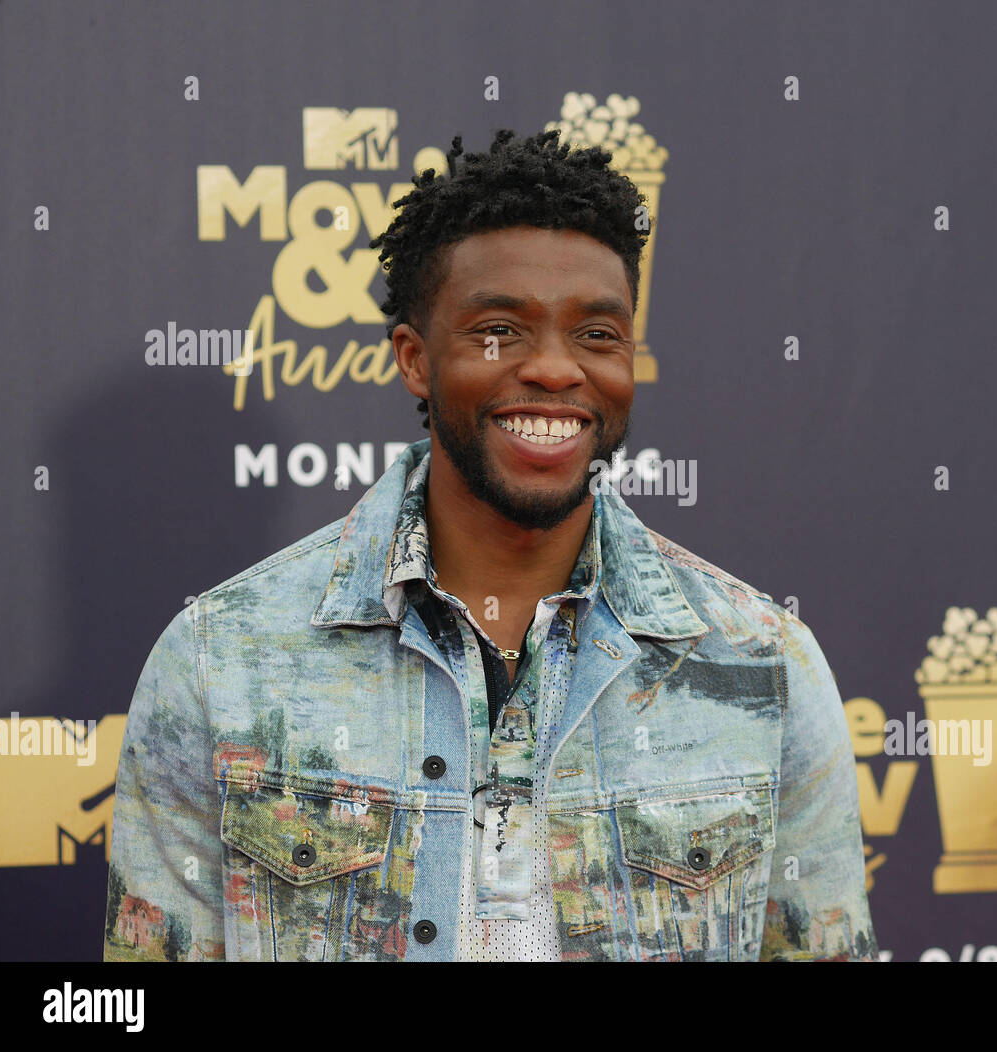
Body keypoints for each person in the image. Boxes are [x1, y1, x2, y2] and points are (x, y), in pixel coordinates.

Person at [103, 128, 878, 962]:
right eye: (500, 330)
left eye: (598, 335)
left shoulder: (764, 663)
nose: (555, 369)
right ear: (415, 359)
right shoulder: (221, 659)